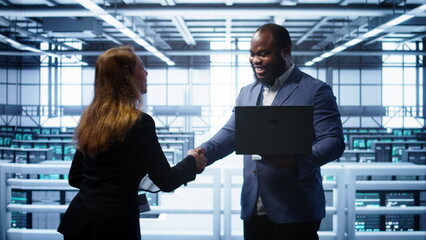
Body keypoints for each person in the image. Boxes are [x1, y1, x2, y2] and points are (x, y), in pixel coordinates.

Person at [196, 23, 345, 240]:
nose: (255, 60)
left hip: (295, 211)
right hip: (253, 208)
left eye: (264, 54)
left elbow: (334, 141)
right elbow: (231, 134)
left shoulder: (315, 91)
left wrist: (296, 161)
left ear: (286, 51)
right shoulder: (247, 92)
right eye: (252, 54)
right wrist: (202, 153)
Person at [57, 46, 206, 240]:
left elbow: (75, 177)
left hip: (79, 222)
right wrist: (191, 162)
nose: (146, 73)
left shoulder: (92, 120)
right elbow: (167, 181)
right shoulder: (139, 122)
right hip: (114, 226)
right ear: (126, 77)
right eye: (141, 67)